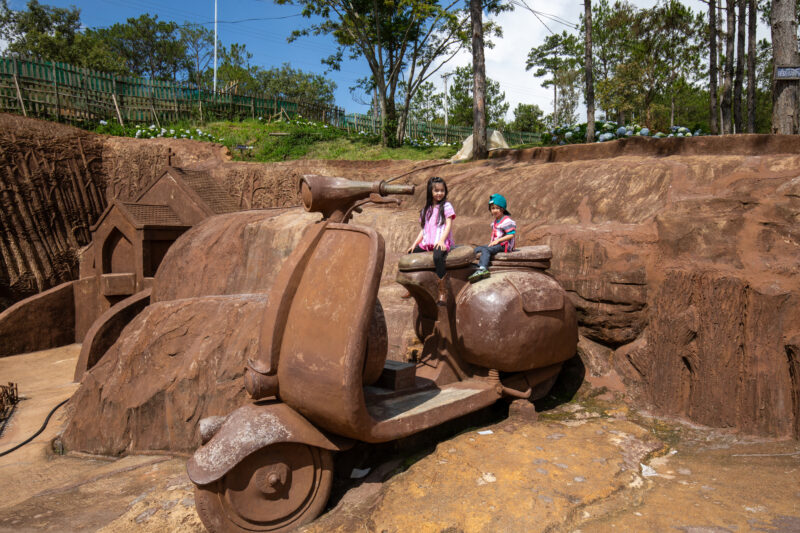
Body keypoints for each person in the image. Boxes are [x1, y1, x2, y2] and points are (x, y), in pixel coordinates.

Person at [406, 176, 456, 305]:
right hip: (427, 242)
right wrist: (414, 244)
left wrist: (442, 241)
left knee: (438, 257)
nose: (440, 193)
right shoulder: (426, 210)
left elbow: (448, 225)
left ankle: (442, 291)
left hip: (440, 241)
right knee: (410, 254)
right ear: (430, 191)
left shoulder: (446, 206)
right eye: (436, 191)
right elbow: (423, 230)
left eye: (442, 190)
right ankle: (412, 287)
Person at [468, 193, 516, 282]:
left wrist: (498, 241)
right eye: (493, 208)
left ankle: (483, 269)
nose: (494, 210)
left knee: (486, 250)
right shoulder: (496, 221)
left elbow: (511, 234)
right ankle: (474, 266)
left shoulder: (506, 221)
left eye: (497, 208)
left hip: (504, 245)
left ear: (502, 209)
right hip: (497, 244)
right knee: (478, 249)